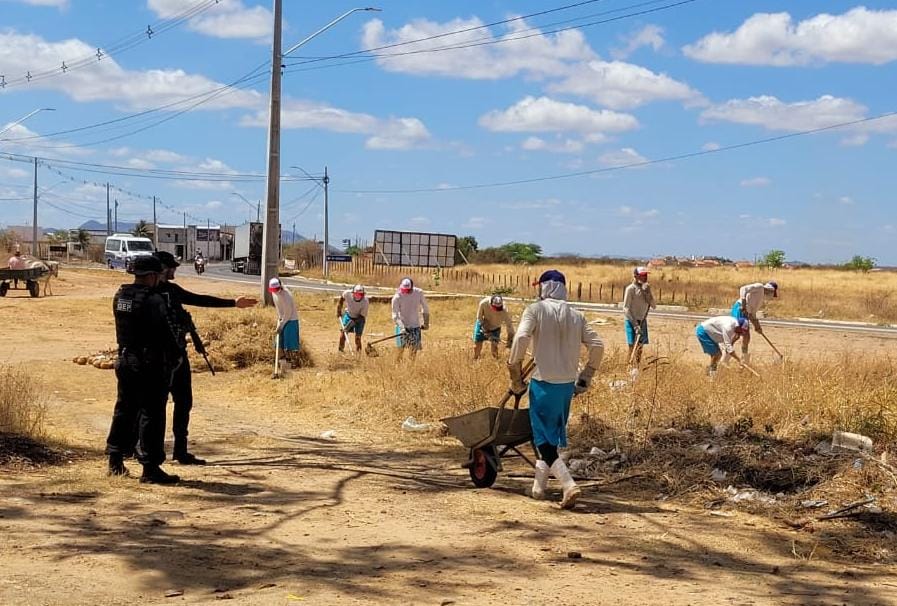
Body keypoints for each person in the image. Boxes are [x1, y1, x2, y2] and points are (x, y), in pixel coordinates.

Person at [508, 270, 604, 510]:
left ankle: (568, 484)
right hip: (566, 386)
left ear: (543, 288)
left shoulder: (535, 310)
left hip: (543, 383)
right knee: (550, 437)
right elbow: (598, 345)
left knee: (542, 441)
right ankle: (538, 489)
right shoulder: (577, 315)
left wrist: (514, 370)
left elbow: (520, 339)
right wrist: (586, 376)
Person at [152, 251, 257, 465]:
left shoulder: (172, 291)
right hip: (156, 359)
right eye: (171, 267)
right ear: (162, 268)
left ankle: (180, 450)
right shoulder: (145, 295)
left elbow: (198, 300)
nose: (174, 270)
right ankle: (148, 451)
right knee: (154, 407)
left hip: (178, 355)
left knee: (184, 402)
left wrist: (233, 303)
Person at [105, 256, 183, 484]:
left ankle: (115, 459)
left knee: (124, 409)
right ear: (151, 276)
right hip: (151, 363)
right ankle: (150, 468)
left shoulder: (120, 296)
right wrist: (176, 355)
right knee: (152, 413)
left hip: (126, 359)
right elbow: (168, 332)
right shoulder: (154, 300)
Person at [731, 281, 778, 364]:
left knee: (741, 336)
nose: (770, 296)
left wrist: (757, 326)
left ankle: (741, 359)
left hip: (744, 313)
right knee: (744, 335)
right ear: (771, 290)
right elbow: (743, 289)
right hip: (740, 309)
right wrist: (744, 304)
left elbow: (752, 315)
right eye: (772, 293)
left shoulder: (760, 301)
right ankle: (739, 359)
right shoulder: (759, 287)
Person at [622, 266, 656, 376]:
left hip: (642, 320)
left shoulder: (646, 288)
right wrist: (635, 325)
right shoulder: (630, 289)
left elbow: (654, 306)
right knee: (632, 345)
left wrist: (648, 294)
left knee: (640, 346)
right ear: (636, 276)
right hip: (631, 320)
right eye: (642, 275)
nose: (645, 277)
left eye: (646, 275)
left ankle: (637, 368)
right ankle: (628, 367)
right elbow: (626, 308)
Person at [391, 277, 429, 358]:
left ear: (412, 287)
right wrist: (402, 327)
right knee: (400, 351)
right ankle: (397, 367)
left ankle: (411, 368)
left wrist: (426, 322)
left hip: (415, 326)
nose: (405, 292)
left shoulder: (419, 293)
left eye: (407, 290)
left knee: (413, 352)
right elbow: (395, 315)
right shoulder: (397, 297)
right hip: (401, 326)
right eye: (404, 290)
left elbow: (425, 308)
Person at [269, 277, 301, 367]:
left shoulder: (286, 296)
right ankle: (282, 361)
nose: (275, 291)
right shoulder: (274, 293)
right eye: (273, 290)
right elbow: (279, 309)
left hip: (291, 320)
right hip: (282, 319)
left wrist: (282, 325)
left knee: (290, 345)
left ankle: (293, 363)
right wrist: (279, 321)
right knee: (278, 343)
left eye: (276, 289)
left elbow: (288, 313)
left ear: (280, 287)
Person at [473, 294, 515, 360]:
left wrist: (510, 339)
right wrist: (484, 328)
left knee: (494, 348)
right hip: (483, 325)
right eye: (496, 308)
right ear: (491, 304)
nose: (497, 310)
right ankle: (475, 359)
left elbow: (509, 325)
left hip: (495, 328)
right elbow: (479, 317)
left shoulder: (504, 310)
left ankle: (496, 362)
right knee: (477, 346)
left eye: (499, 308)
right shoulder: (483, 303)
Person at [337, 284, 369, 353]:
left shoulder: (365, 301)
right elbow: (341, 299)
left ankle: (358, 353)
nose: (358, 296)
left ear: (363, 294)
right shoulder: (347, 294)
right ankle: (340, 351)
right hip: (349, 315)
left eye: (360, 295)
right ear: (353, 293)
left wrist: (352, 322)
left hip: (359, 319)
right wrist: (339, 310)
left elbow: (362, 316)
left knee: (358, 338)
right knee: (343, 334)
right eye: (356, 294)